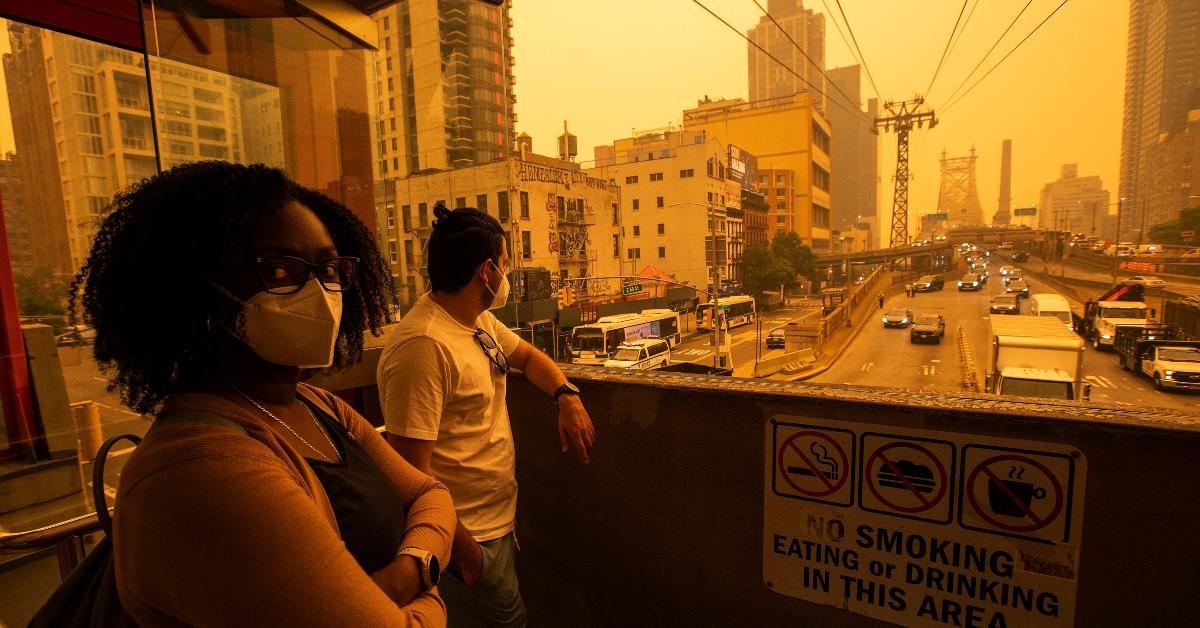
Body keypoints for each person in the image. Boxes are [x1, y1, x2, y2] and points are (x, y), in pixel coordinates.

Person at [72, 162, 456, 625]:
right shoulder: (201, 471)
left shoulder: (315, 405)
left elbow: (430, 493)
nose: (318, 292)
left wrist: (412, 570)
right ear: (195, 288)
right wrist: (434, 591)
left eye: (330, 269)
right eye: (279, 271)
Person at [378, 206, 596, 627]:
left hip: (497, 527)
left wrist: (566, 395)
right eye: (507, 265)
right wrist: (467, 555)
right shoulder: (424, 347)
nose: (508, 277)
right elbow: (410, 476)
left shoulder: (476, 322)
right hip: (465, 540)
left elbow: (529, 358)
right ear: (487, 271)